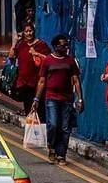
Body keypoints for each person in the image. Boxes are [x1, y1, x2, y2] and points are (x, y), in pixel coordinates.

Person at [34, 33, 83, 165]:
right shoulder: (48, 61)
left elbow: (76, 80)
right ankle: (51, 146)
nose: (65, 47)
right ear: (56, 46)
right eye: (63, 45)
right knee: (54, 124)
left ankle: (62, 154)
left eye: (66, 45)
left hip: (67, 98)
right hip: (51, 97)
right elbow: (42, 81)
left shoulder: (70, 61)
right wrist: (36, 99)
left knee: (65, 128)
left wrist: (80, 98)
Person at [10, 23, 50, 117]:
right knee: (28, 108)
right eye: (26, 31)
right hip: (24, 83)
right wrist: (15, 42)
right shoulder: (21, 44)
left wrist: (36, 54)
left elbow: (48, 59)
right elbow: (11, 56)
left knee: (39, 110)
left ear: (34, 31)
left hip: (37, 83)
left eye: (30, 31)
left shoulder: (41, 44)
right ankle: (31, 129)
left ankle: (40, 129)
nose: (28, 33)